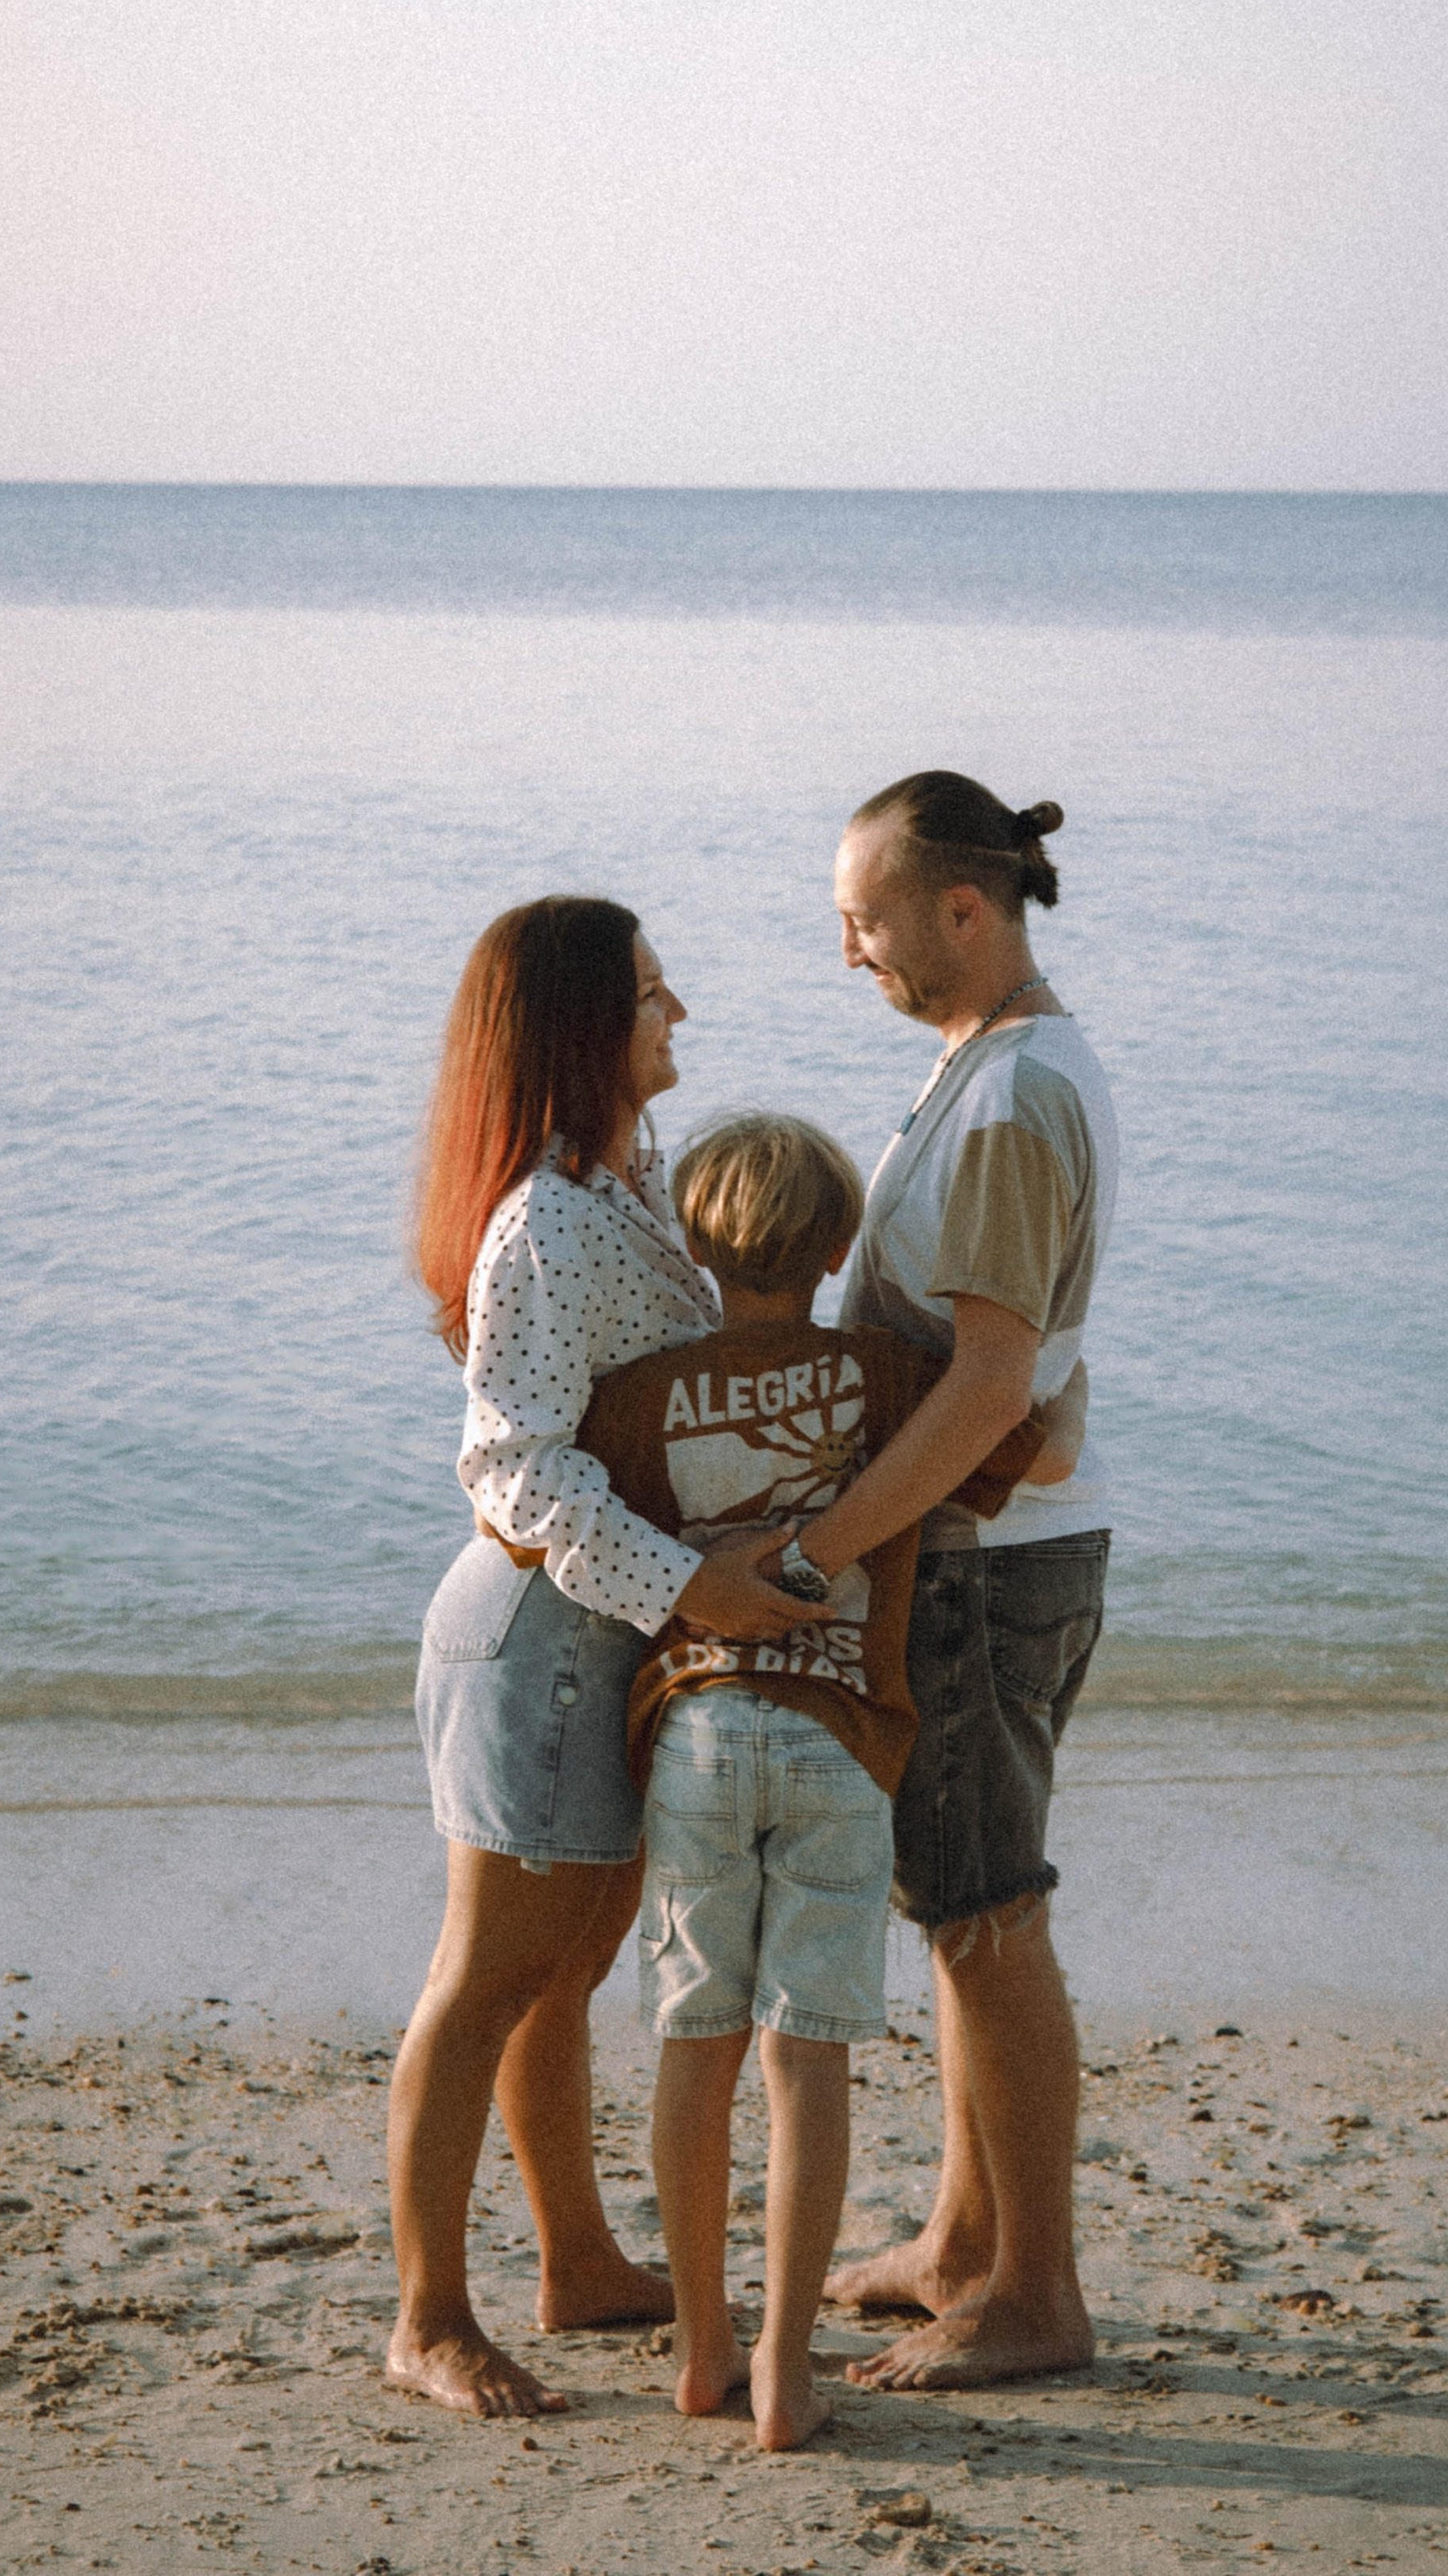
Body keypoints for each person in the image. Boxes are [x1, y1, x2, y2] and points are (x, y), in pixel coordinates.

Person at [387, 898, 829, 2421]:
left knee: (566, 1970)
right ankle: (429, 2317)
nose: (682, 1012)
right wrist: (690, 1578)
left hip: (619, 1634)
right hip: (536, 1634)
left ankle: (574, 2262)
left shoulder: (624, 1180)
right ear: (582, 1024)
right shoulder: (546, 1221)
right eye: (650, 995)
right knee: (489, 1977)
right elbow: (508, 1463)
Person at [573, 1111, 1052, 2448]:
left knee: (693, 2038)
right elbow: (1025, 1436)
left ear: (692, 1245)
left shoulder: (642, 1393)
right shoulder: (889, 1371)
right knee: (806, 2057)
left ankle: (704, 2344)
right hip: (842, 1740)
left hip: (696, 1733)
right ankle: (787, 2362)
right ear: (841, 1245)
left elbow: (556, 1522)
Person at [750, 773, 1119, 2392]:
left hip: (979, 1570)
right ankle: (964, 2240)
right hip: (981, 1555)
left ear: (959, 909)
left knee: (984, 1920)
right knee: (958, 1902)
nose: (849, 951)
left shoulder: (1009, 1096)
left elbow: (988, 1387)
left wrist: (808, 1554)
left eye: (864, 919)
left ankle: (1033, 2289)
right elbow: (1004, 1384)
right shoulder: (988, 1069)